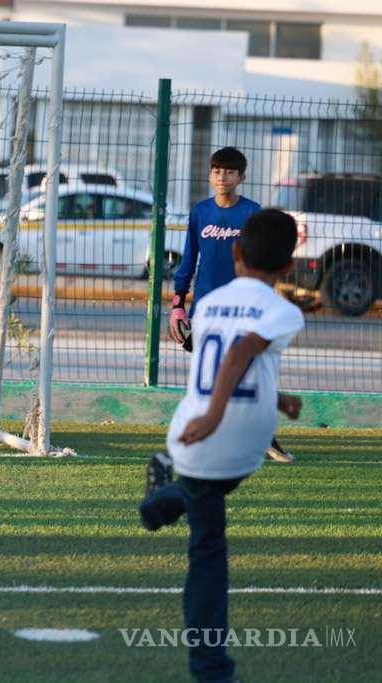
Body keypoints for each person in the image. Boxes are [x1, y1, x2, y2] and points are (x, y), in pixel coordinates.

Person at [140, 208, 305, 683]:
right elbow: (240, 351)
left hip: (194, 439)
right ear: (289, 267)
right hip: (232, 441)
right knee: (208, 543)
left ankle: (160, 501)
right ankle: (212, 670)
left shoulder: (208, 305)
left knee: (201, 497)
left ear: (234, 253)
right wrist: (215, 415)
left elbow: (234, 359)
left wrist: (279, 397)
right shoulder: (284, 310)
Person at [168, 146, 294, 463]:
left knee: (247, 371)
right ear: (210, 176)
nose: (222, 177)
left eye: (229, 172)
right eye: (216, 171)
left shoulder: (252, 212)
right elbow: (188, 260)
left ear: (241, 177)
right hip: (206, 307)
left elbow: (263, 257)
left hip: (244, 304)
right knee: (212, 375)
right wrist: (178, 303)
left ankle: (262, 437)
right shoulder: (200, 213)